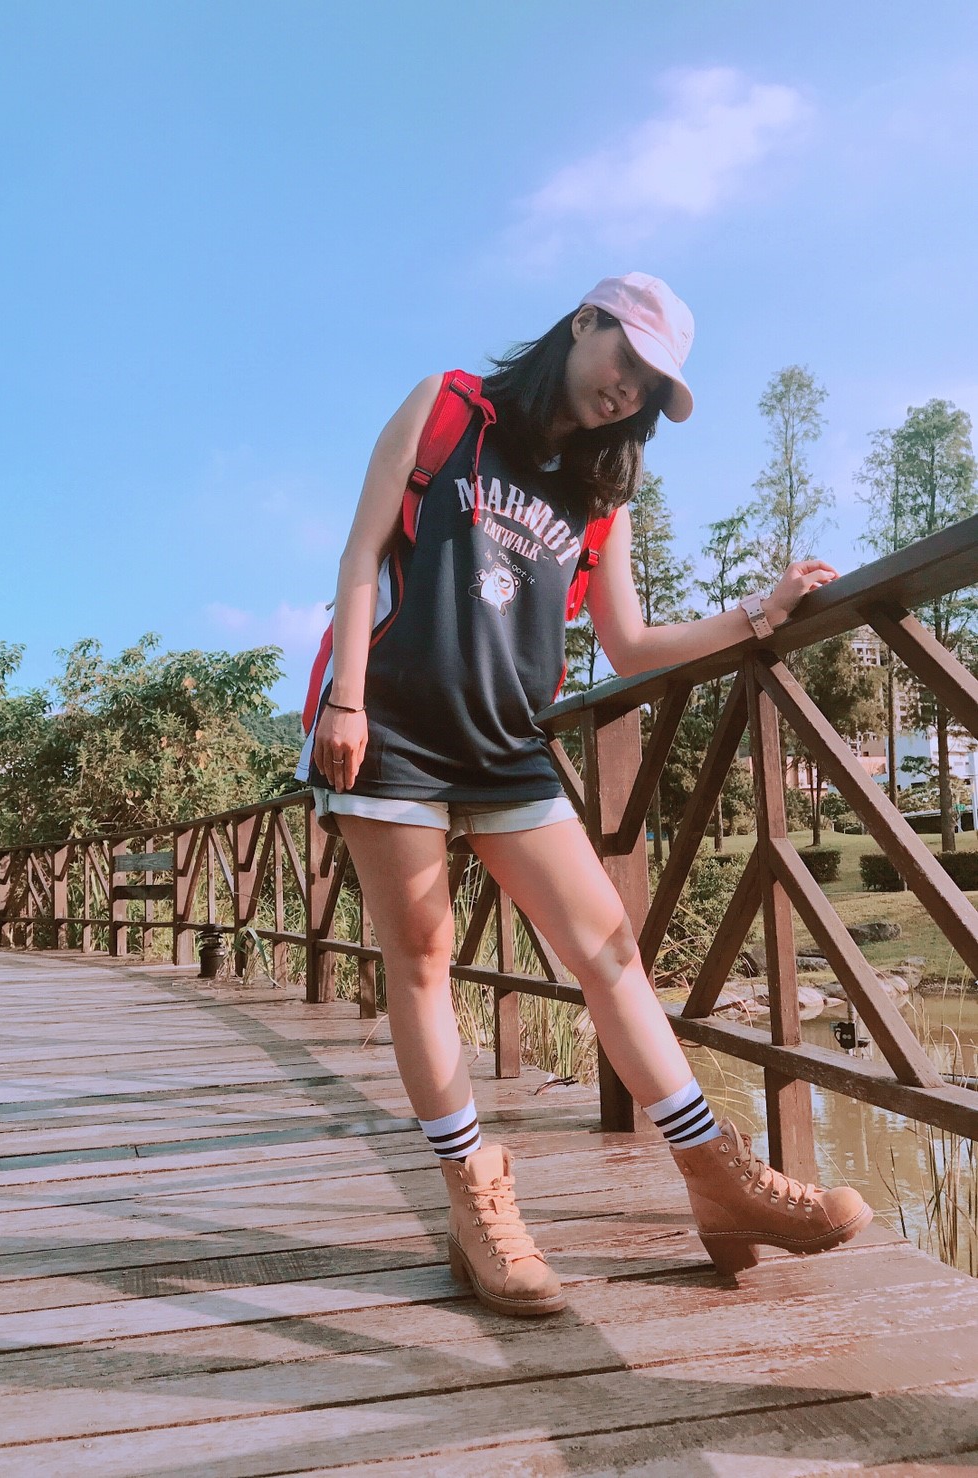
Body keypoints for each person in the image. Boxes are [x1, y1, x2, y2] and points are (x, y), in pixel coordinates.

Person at [294, 272, 872, 1317]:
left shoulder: (600, 495)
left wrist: (760, 611)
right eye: (626, 359)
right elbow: (362, 551)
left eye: (652, 386)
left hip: (507, 745)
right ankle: (476, 1202)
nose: (629, 390)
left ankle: (716, 1177)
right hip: (393, 731)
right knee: (422, 958)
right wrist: (345, 698)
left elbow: (631, 643)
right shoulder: (449, 409)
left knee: (608, 947)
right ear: (583, 323)